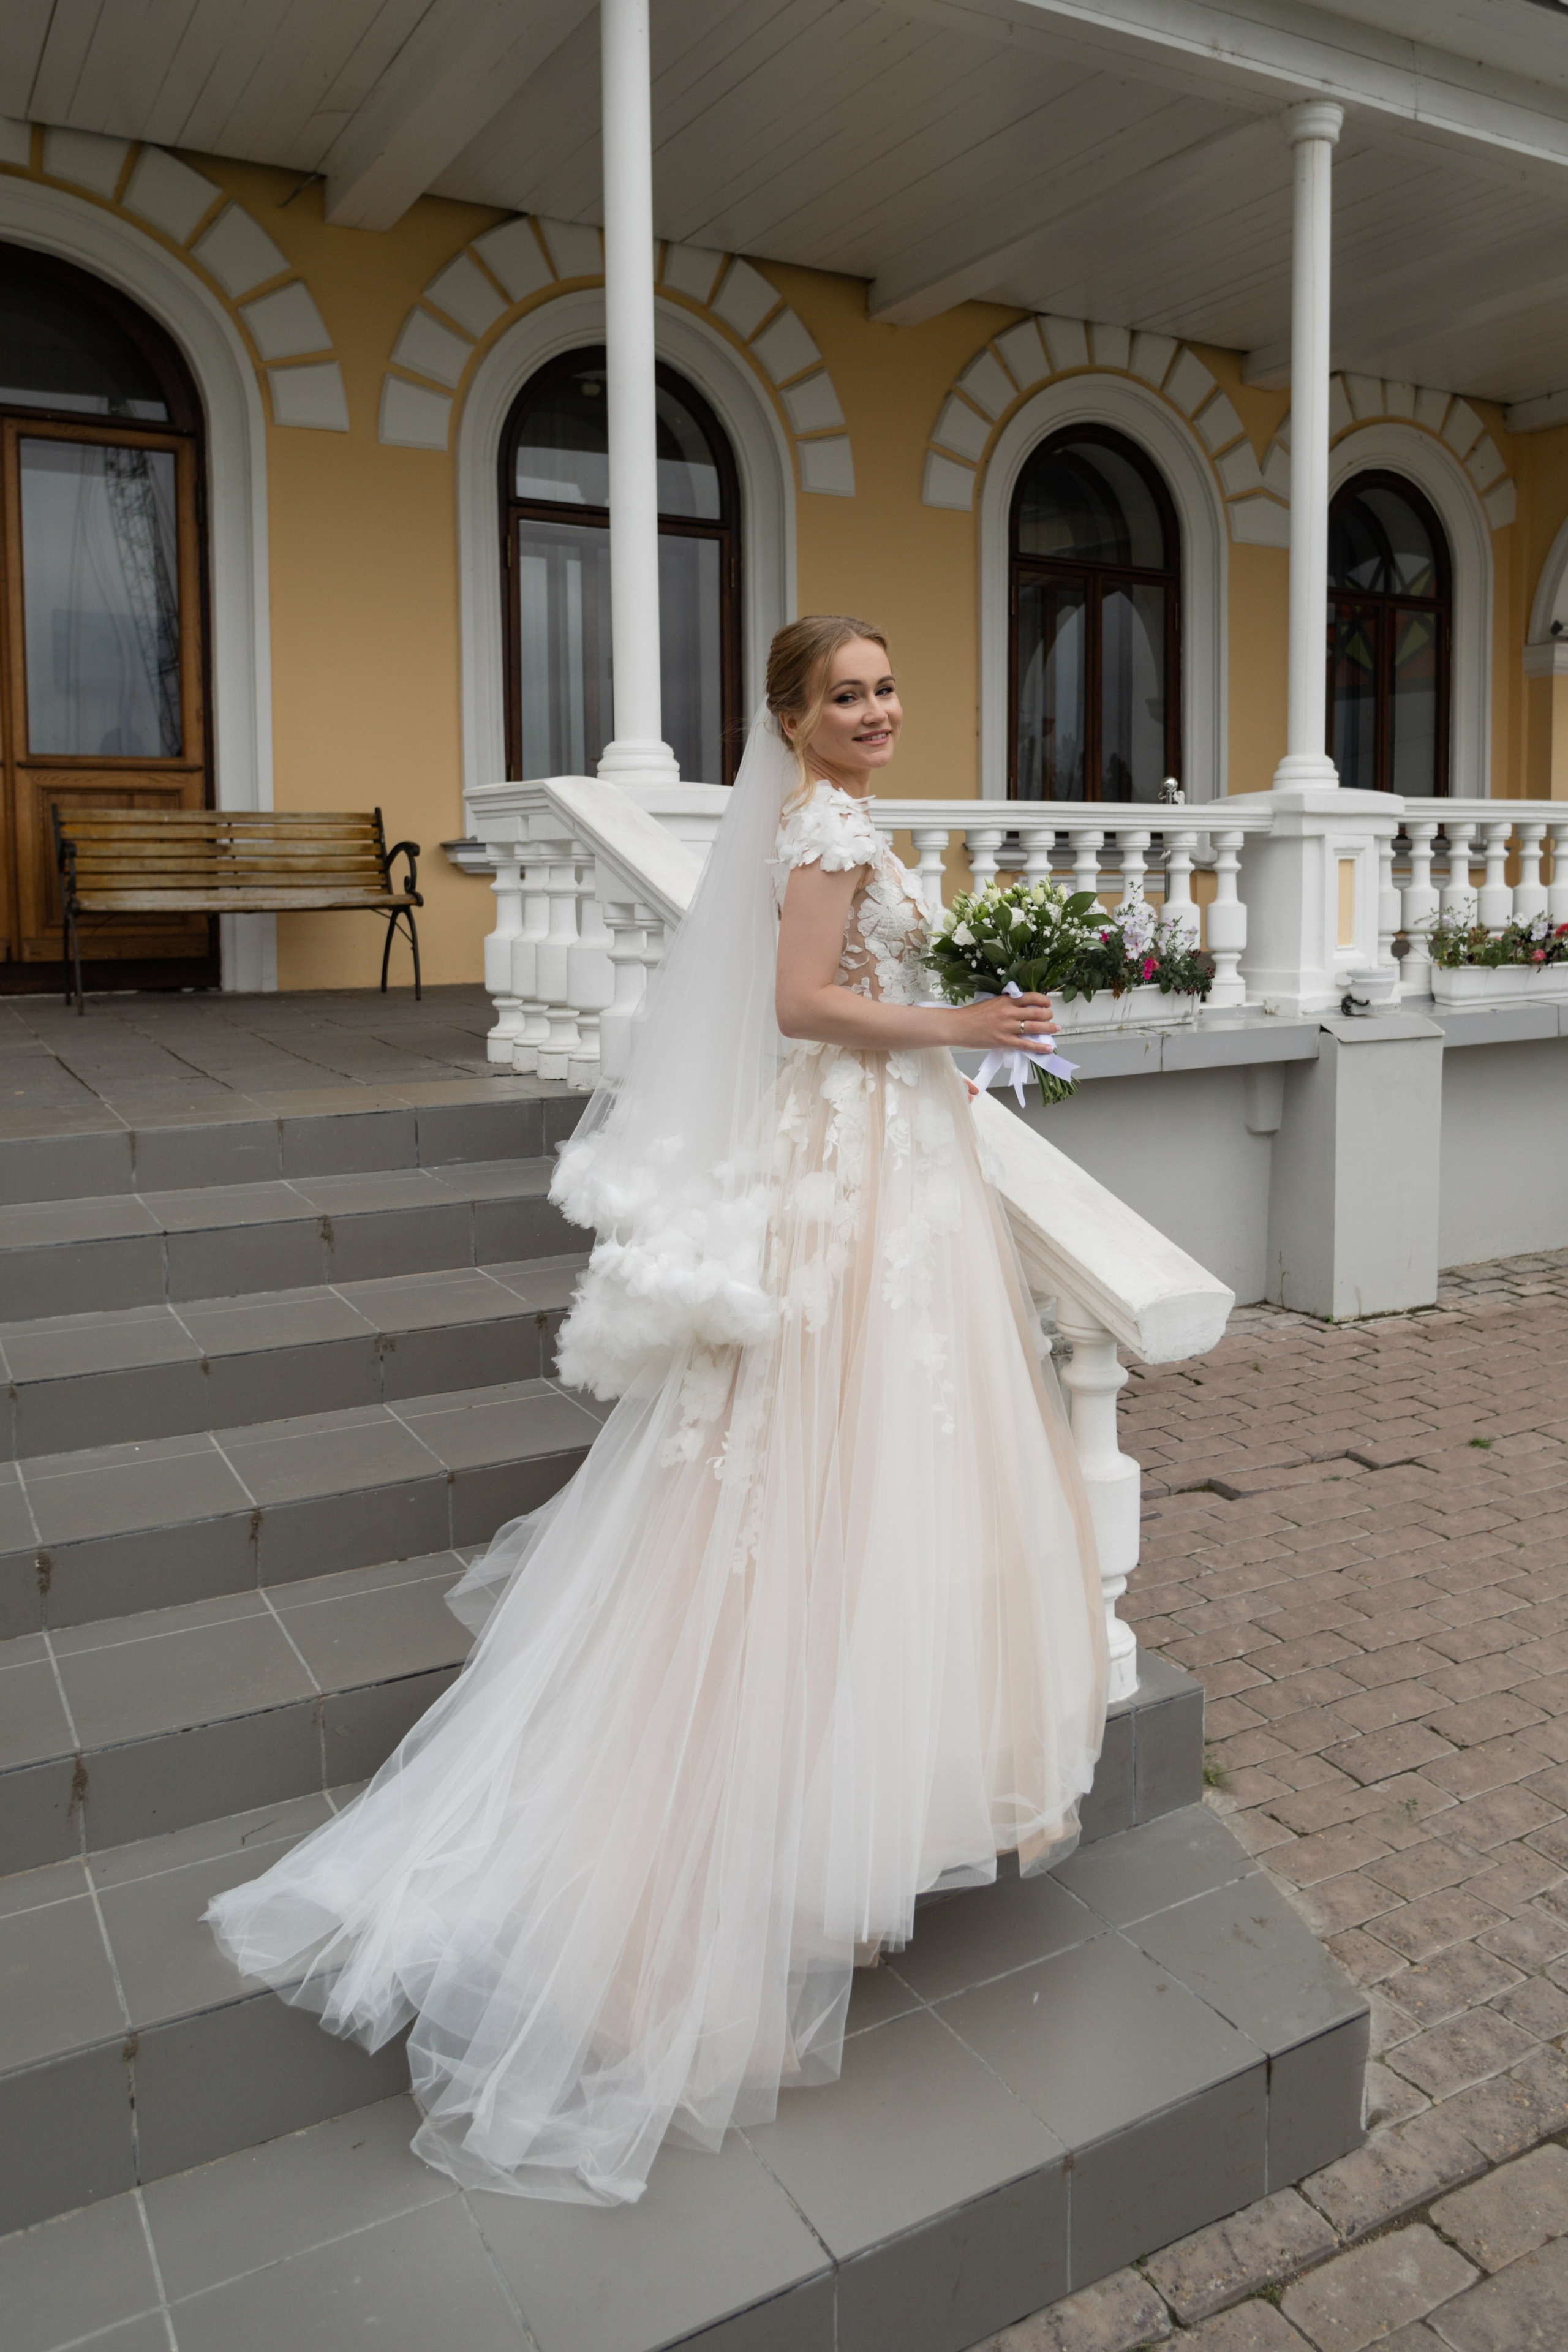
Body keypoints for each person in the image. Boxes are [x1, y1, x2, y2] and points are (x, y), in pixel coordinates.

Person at [206, 616, 1108, 2208]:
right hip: (853, 1172)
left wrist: (960, 1021)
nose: (878, 711)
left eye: (890, 688)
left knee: (864, 1486)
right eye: (848, 694)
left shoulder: (846, 820)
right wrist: (956, 1028)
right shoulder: (822, 827)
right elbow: (800, 1007)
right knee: (820, 1482)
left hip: (888, 1163)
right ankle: (733, 1864)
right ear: (791, 716)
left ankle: (833, 1843)